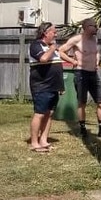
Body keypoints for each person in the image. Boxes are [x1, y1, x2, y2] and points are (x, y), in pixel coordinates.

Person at [58, 18, 101, 137]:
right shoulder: (77, 39)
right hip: (81, 73)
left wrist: (97, 61)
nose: (96, 28)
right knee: (82, 102)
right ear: (85, 27)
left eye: (96, 26)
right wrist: (72, 61)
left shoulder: (94, 39)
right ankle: (82, 127)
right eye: (94, 26)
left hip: (93, 73)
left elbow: (96, 52)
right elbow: (60, 51)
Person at [29, 22, 65, 152]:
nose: (56, 34)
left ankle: (43, 139)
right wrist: (52, 48)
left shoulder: (52, 47)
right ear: (45, 33)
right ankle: (34, 142)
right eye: (54, 32)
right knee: (39, 114)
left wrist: (61, 86)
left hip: (53, 86)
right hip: (41, 86)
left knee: (49, 114)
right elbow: (43, 59)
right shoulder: (35, 45)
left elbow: (57, 65)